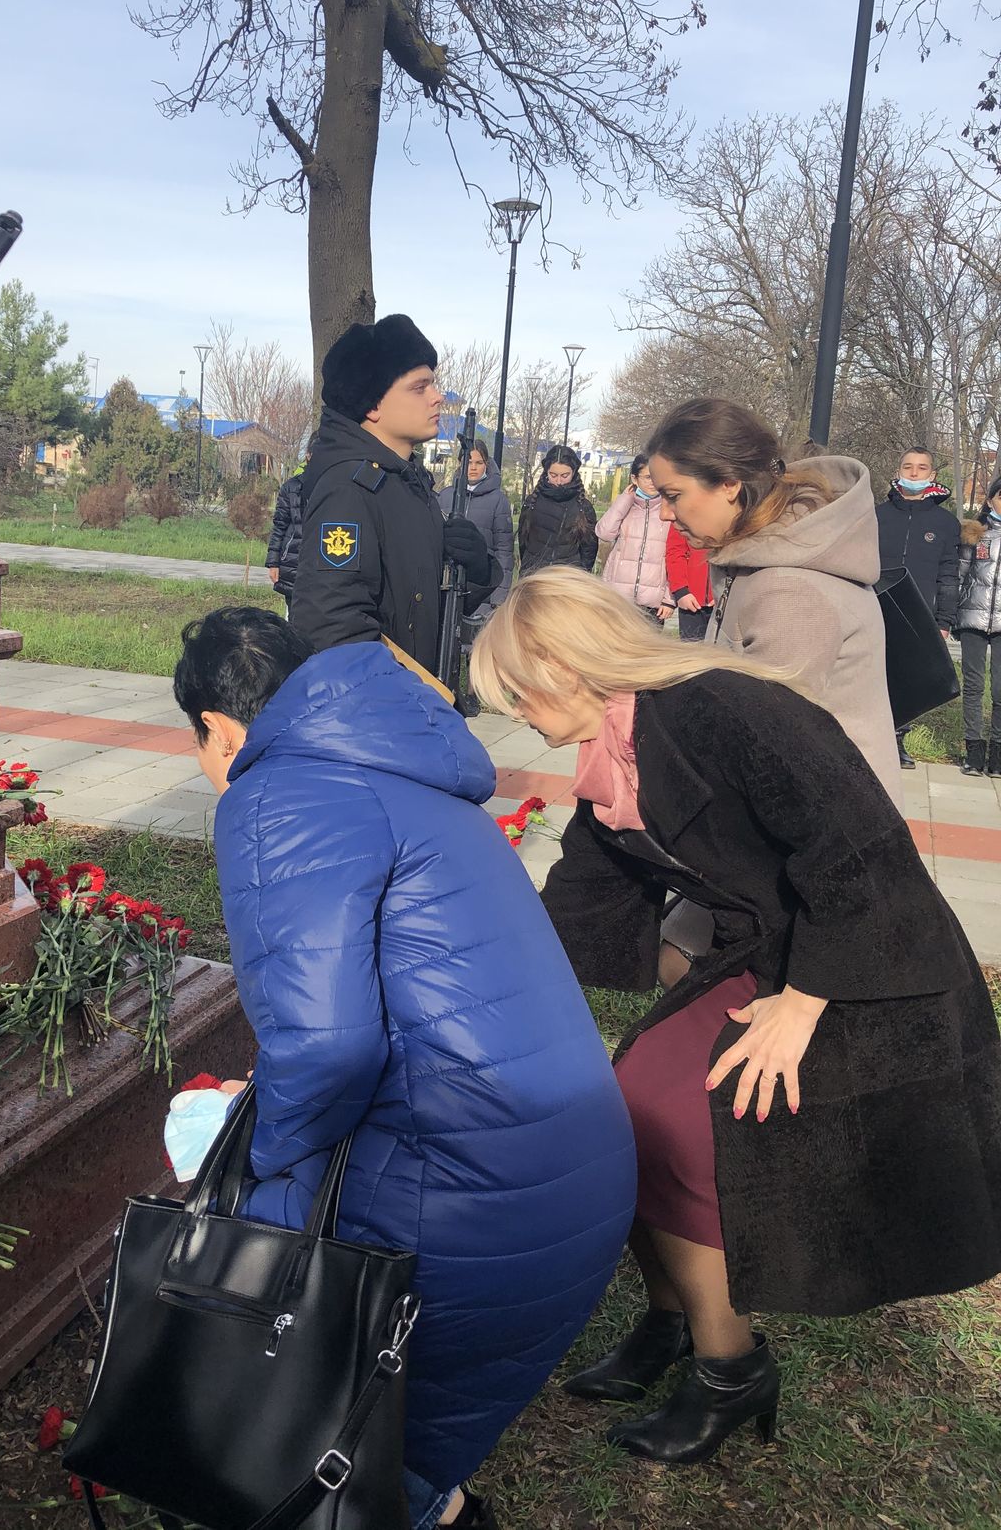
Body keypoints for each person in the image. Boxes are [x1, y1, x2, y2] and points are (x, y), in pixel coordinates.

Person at [471, 568, 1001, 1467]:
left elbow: (862, 849)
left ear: (568, 664)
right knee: (621, 1105)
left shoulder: (727, 707)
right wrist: (479, 995)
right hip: (770, 957)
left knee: (687, 1118)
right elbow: (580, 902)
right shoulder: (618, 750)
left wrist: (803, 1001)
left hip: (868, 961)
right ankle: (673, 1319)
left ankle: (732, 1368)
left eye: (516, 687)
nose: (512, 708)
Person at [174, 608, 636, 1529]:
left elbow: (327, 1045)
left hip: (474, 1203)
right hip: (575, 1179)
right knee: (399, 1450)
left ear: (219, 731)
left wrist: (246, 1145)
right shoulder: (418, 777)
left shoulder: (276, 794)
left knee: (323, 1438)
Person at [646, 399, 902, 808]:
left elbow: (763, 742)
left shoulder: (790, 589)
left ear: (729, 482)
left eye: (673, 495)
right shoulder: (756, 560)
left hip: (830, 833)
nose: (664, 514)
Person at [291, 314, 496, 676]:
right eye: (420, 388)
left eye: (434, 384)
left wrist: (475, 569)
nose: (438, 397)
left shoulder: (408, 482)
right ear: (372, 405)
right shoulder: (349, 489)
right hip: (382, 712)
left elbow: (425, 606)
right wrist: (409, 705)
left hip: (413, 703)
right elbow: (333, 627)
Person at [874, 446, 959, 768]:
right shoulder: (878, 514)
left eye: (921, 468)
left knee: (906, 678)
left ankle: (897, 741)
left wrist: (944, 620)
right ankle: (871, 738)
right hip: (875, 605)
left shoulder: (945, 523)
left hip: (918, 612)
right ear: (898, 472)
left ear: (932, 475)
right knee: (873, 675)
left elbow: (950, 574)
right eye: (908, 467)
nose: (913, 473)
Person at [437, 436, 513, 714]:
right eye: (468, 461)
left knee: (476, 642)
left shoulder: (497, 500)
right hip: (450, 580)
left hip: (482, 580)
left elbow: (504, 547)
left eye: (479, 462)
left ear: (487, 465)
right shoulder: (445, 495)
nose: (473, 467)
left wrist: (501, 591)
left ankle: (472, 692)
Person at [596, 455, 674, 624]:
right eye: (647, 477)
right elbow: (604, 533)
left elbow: (675, 557)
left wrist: (669, 599)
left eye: (656, 476)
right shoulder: (625, 506)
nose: (653, 482)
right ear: (634, 478)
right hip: (619, 595)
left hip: (653, 600)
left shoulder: (669, 510)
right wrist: (624, 499)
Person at [958, 476, 1001, 777]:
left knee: (1000, 690)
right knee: (973, 687)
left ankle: (997, 753)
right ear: (990, 501)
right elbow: (959, 576)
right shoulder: (974, 535)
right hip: (972, 619)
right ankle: (973, 751)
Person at [517, 443, 598, 576]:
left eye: (564, 476)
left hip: (567, 579)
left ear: (574, 473)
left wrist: (580, 577)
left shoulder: (583, 507)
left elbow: (589, 551)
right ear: (546, 472)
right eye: (553, 475)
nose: (559, 481)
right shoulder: (532, 502)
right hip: (534, 575)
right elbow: (523, 542)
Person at [264, 430, 317, 609]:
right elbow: (279, 525)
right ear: (308, 455)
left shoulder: (336, 488)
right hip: (292, 561)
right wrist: (273, 562)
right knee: (293, 615)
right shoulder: (291, 487)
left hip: (319, 565)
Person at [665, 522, 714, 642]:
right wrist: (681, 591)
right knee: (693, 655)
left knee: (725, 656)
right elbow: (675, 551)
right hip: (690, 600)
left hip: (723, 598)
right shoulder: (683, 512)